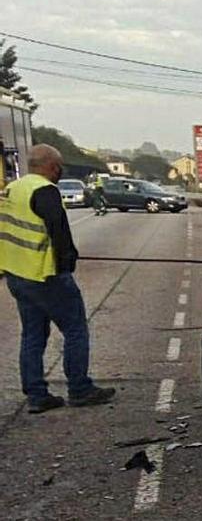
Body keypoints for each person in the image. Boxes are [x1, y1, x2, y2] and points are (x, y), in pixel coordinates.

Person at [0, 145, 116, 414]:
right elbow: (59, 231)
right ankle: (80, 389)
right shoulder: (45, 191)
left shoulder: (13, 188)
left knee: (33, 334)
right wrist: (67, 263)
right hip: (45, 274)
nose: (60, 171)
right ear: (52, 166)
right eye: (59, 166)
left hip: (18, 273)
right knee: (75, 329)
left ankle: (37, 395)